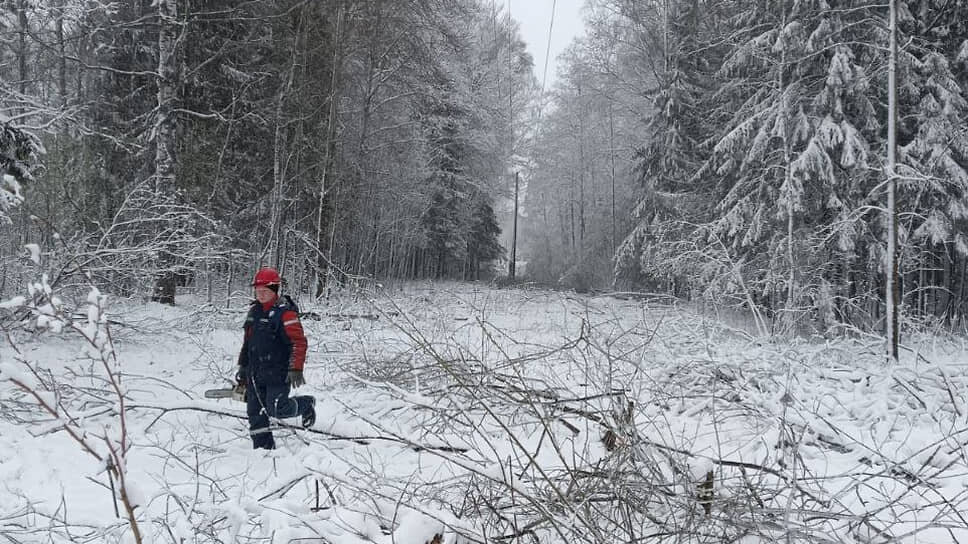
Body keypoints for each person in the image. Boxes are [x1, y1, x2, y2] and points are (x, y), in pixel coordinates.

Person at [236, 267, 316, 449]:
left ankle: (306, 404)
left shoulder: (285, 314)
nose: (261, 294)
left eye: (265, 291)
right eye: (258, 291)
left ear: (274, 290)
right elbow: (248, 342)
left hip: (278, 373)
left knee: (277, 409)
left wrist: (296, 368)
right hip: (255, 373)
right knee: (255, 413)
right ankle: (263, 450)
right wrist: (243, 366)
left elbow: (298, 342)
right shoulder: (254, 312)